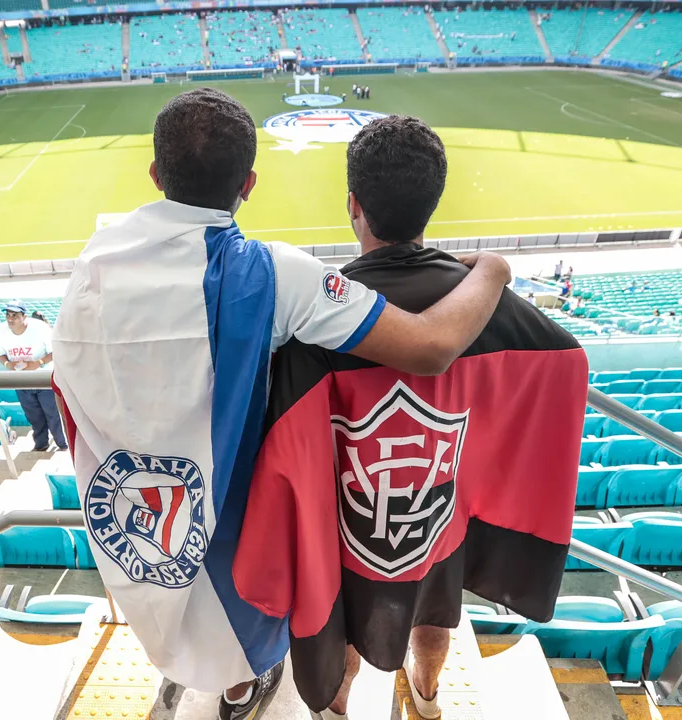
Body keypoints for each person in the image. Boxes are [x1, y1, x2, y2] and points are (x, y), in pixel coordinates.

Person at [50, 90, 511, 720]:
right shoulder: (275, 274)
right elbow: (430, 347)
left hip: (134, 505)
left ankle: (227, 683)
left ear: (156, 176)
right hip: (228, 507)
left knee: (174, 604)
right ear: (250, 183)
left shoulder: (92, 263)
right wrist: (492, 270)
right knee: (240, 604)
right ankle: (245, 684)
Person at [233, 116, 587, 720]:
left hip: (345, 529)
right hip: (438, 517)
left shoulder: (318, 317)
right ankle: (426, 701)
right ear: (432, 202)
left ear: (354, 206)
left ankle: (333, 712)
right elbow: (566, 367)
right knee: (434, 616)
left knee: (340, 631)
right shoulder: (485, 304)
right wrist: (494, 272)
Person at [0, 300, 67, 452]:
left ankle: (63, 444)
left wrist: (38, 363)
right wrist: (9, 365)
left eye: (15, 315)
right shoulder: (1, 331)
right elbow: (0, 354)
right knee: (33, 416)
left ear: (24, 316)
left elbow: (56, 352)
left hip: (44, 379)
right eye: (8, 315)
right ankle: (41, 444)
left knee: (53, 414)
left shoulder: (40, 328)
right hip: (21, 381)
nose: (10, 319)